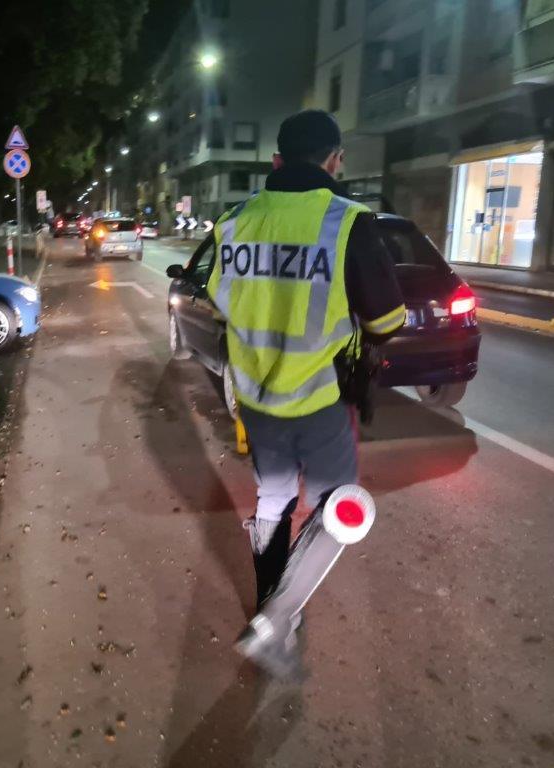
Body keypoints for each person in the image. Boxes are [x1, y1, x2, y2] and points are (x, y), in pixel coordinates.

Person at [205, 110, 406, 677]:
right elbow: (388, 318)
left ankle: (275, 604)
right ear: (335, 160)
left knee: (272, 499)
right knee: (337, 509)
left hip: (256, 399)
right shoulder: (347, 222)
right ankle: (276, 623)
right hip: (318, 398)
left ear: (276, 162)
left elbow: (223, 301)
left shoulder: (235, 221)